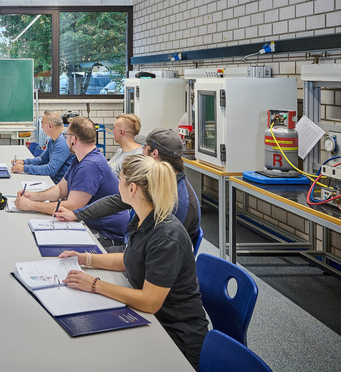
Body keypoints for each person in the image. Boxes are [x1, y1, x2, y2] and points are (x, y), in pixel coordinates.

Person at [59, 154, 208, 369]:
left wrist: (94, 284)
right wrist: (85, 259)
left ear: (133, 189)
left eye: (120, 179)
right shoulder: (143, 217)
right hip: (152, 320)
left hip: (175, 337)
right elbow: (129, 260)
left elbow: (149, 301)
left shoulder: (166, 236)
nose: (116, 183)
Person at [55, 128, 201, 246]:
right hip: (135, 249)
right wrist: (76, 214)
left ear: (154, 154)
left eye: (145, 147)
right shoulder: (154, 180)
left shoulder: (180, 202)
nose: (141, 150)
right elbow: (116, 201)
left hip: (150, 265)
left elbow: (163, 253)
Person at [14, 116, 129, 246]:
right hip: (91, 224)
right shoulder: (80, 158)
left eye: (66, 135)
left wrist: (32, 206)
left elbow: (72, 207)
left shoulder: (90, 165)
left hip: (106, 234)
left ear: (73, 139)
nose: (64, 138)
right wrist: (34, 196)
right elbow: (60, 189)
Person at [11, 110, 76, 183]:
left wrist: (24, 168)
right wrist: (24, 162)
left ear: (50, 126)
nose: (41, 127)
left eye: (42, 123)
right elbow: (43, 160)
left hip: (58, 185)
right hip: (52, 181)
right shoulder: (52, 140)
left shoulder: (62, 143)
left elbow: (50, 170)